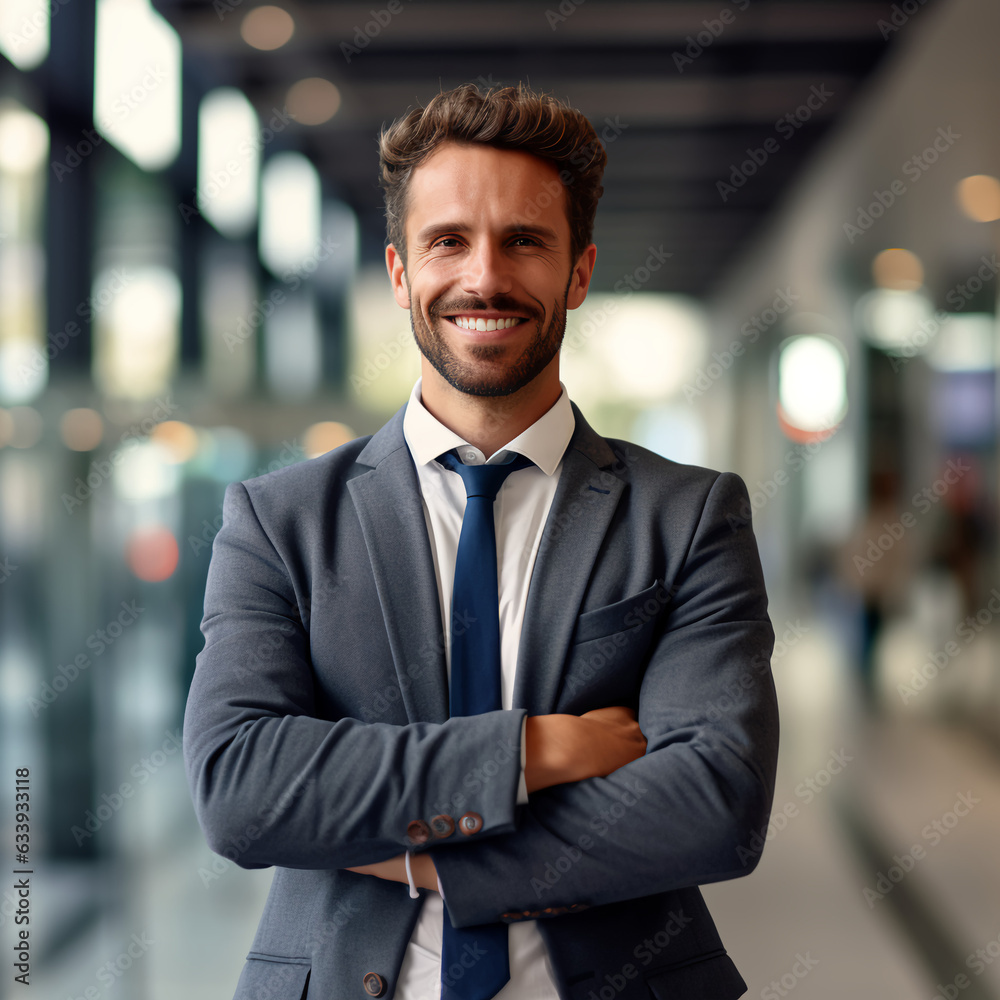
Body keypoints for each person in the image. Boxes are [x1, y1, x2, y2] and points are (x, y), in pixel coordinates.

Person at [183, 82, 779, 1000]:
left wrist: (426, 862)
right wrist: (538, 750)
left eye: (525, 241)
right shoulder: (281, 521)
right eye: (448, 241)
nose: (484, 277)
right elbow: (243, 788)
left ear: (578, 272)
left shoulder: (689, 515)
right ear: (397, 272)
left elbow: (713, 808)